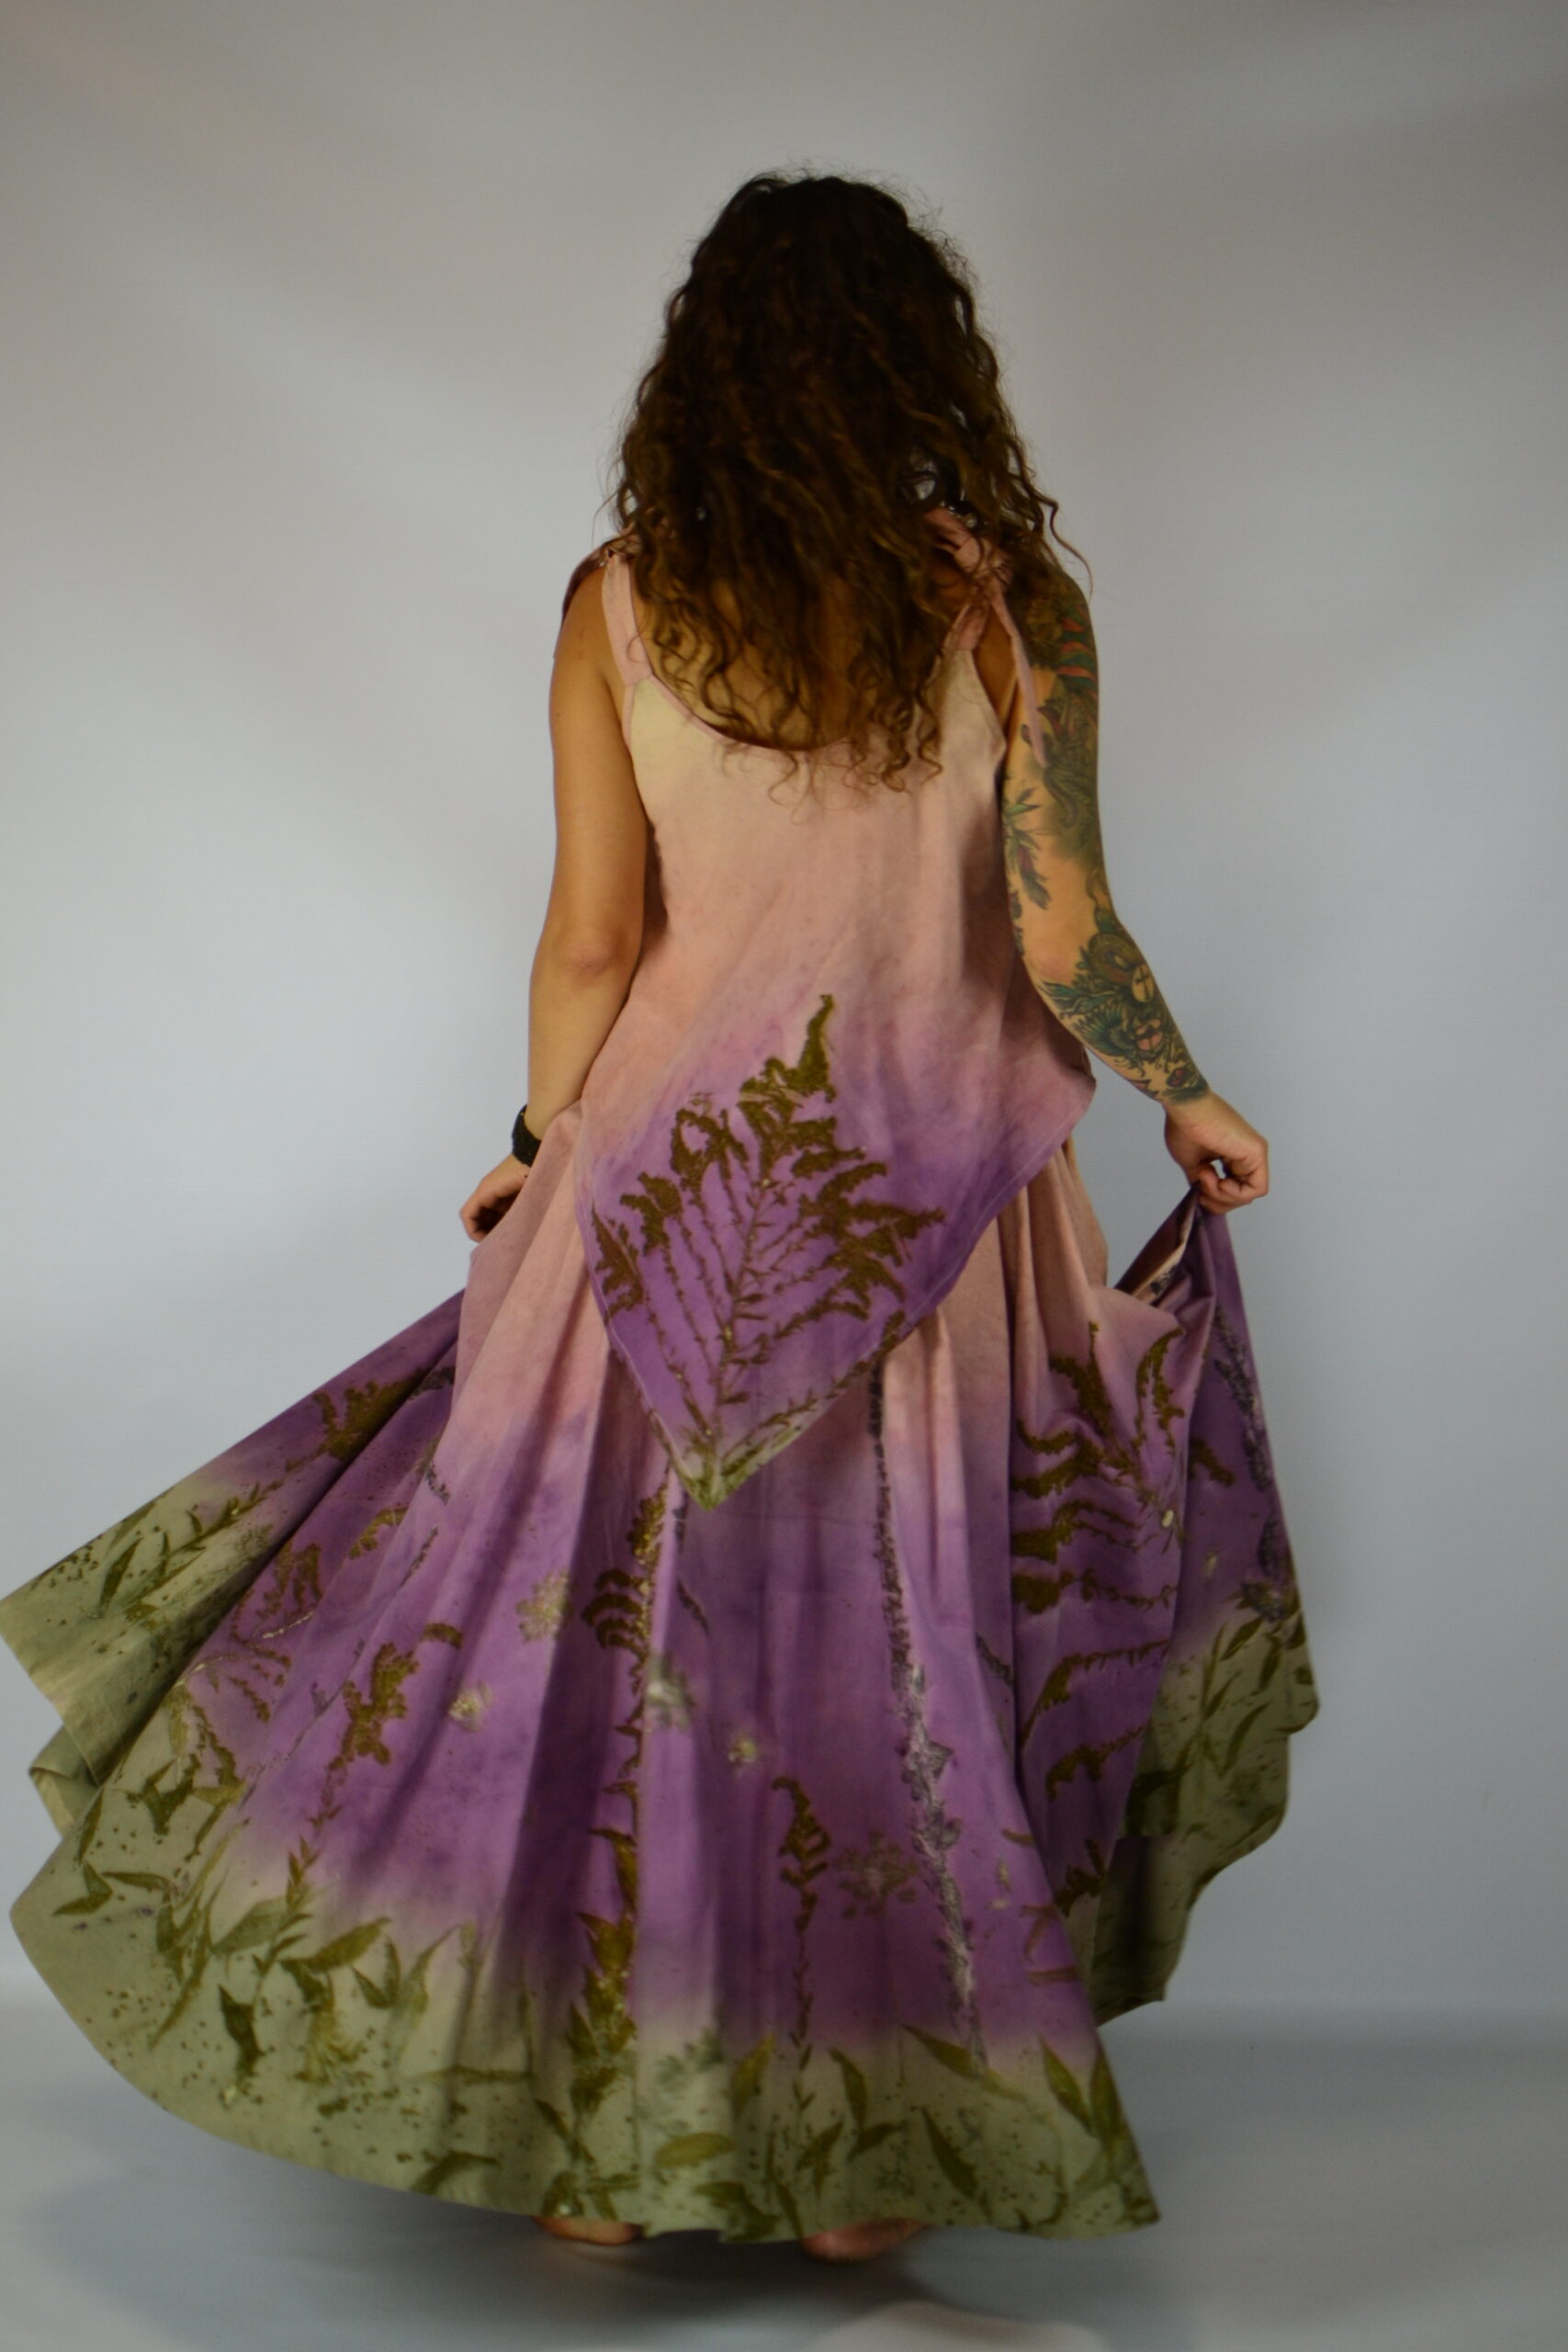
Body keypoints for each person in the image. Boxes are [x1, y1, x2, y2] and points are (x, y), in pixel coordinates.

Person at [0, 169, 1318, 2267]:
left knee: (604, 1660)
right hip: (935, 1216)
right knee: (896, 1654)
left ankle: (592, 2149)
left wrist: (539, 1139)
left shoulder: (621, 603)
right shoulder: (1005, 611)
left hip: (657, 1216)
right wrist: (1186, 1090)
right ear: (919, 364)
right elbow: (1059, 915)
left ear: (707, 371)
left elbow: (594, 939)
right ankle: (866, 2165)